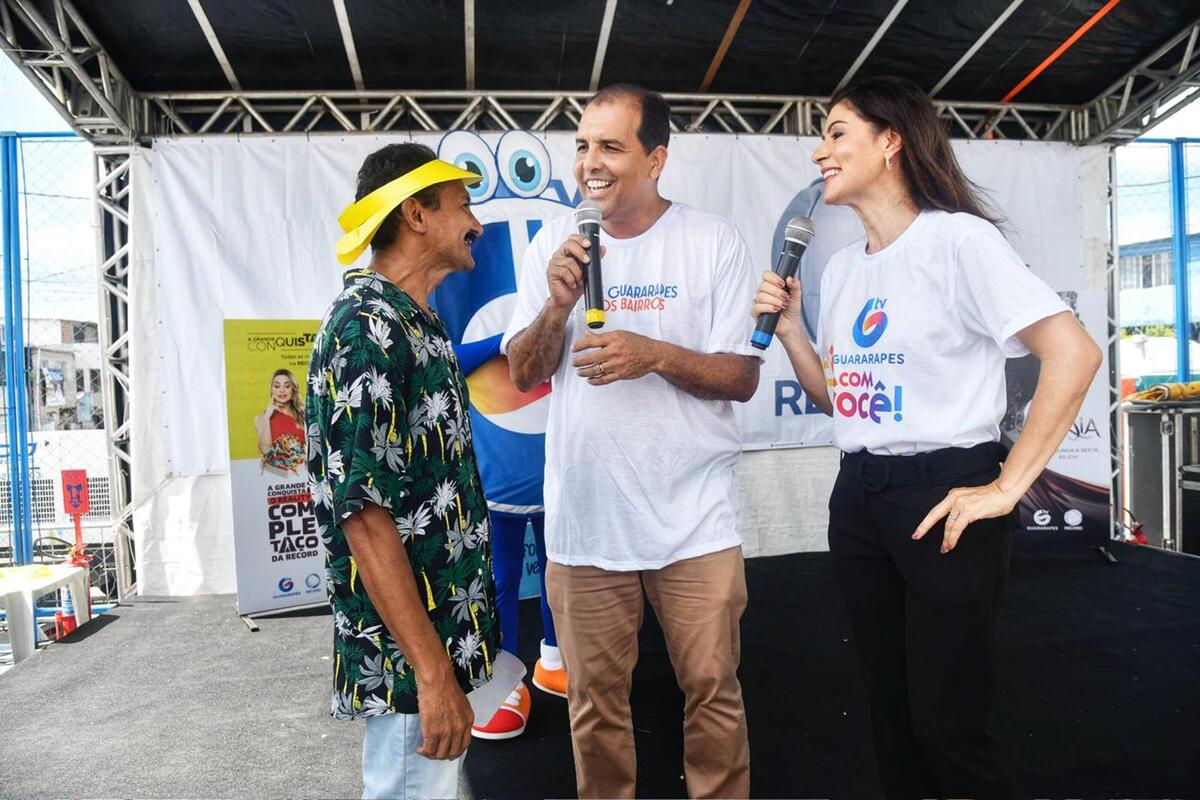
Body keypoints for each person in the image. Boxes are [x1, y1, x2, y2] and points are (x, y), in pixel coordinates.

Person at [752, 75, 1102, 799]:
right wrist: (791, 333)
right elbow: (846, 401)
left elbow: (1074, 352)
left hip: (944, 495)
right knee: (888, 712)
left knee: (948, 722)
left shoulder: (959, 241)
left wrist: (1007, 487)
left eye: (837, 131)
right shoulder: (844, 268)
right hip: (860, 498)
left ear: (891, 142)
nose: (820, 151)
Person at [503, 84, 761, 800]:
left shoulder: (711, 240)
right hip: (587, 524)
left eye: (611, 147)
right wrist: (556, 308)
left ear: (656, 159)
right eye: (583, 145)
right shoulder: (556, 244)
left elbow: (741, 376)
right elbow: (524, 372)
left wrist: (657, 355)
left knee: (712, 690)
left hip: (694, 521)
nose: (592, 162)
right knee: (594, 705)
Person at [306, 142, 502, 800]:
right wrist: (430, 671)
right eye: (462, 206)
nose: (476, 223)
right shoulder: (366, 329)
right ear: (416, 215)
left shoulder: (413, 324)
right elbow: (363, 519)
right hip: (409, 667)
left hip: (430, 653)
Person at [254, 369, 306, 473]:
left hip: (303, 474)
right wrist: (268, 417)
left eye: (287, 386)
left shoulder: (304, 414)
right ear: (271, 390)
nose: (282, 390)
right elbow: (265, 450)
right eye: (277, 386)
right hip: (275, 476)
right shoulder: (261, 418)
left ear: (293, 389)